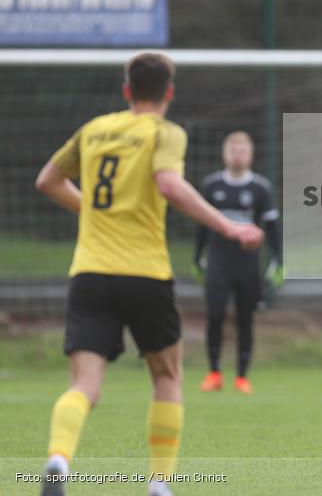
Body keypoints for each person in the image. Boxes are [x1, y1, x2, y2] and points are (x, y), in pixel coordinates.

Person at [34, 52, 263, 496]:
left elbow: (47, 181)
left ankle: (59, 459)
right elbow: (169, 185)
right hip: (143, 272)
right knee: (167, 376)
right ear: (169, 93)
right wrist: (229, 226)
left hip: (89, 272)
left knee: (84, 384)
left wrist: (95, 216)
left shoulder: (95, 129)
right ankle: (159, 484)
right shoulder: (165, 132)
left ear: (127, 91)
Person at [193, 131, 282, 395]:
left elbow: (272, 227)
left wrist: (277, 259)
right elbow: (202, 225)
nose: (237, 154)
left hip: (248, 264)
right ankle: (214, 373)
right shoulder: (211, 186)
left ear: (251, 155)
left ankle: (242, 376)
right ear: (224, 155)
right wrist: (197, 256)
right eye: (233, 150)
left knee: (245, 319)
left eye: (242, 150)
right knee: (215, 315)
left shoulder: (260, 188)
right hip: (218, 262)